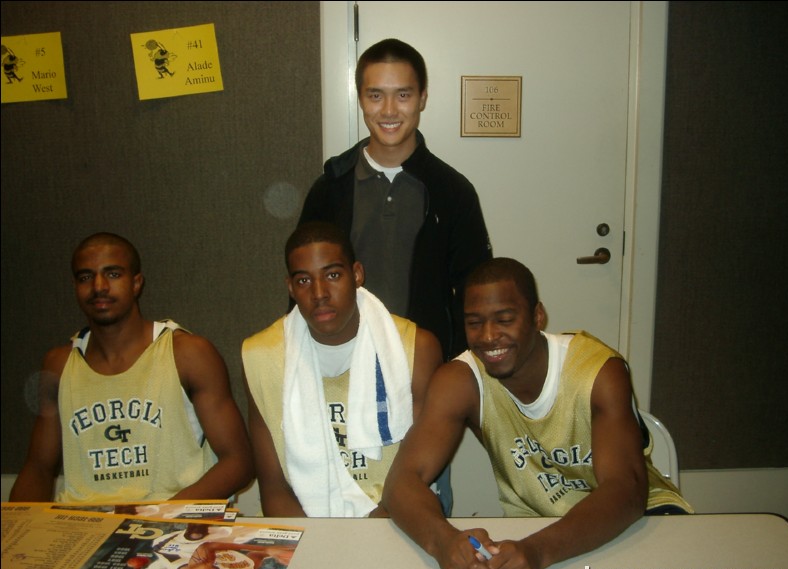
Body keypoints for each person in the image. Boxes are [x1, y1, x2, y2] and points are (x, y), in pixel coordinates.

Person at [382, 257, 693, 569]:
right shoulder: (461, 380)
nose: (488, 337)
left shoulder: (599, 372)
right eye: (474, 323)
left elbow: (627, 492)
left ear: (537, 316)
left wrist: (537, 551)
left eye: (505, 319)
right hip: (536, 529)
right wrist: (445, 544)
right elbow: (400, 482)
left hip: (636, 524)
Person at [297, 38, 493, 514]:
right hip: (337, 383)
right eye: (375, 95)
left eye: (403, 94)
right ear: (360, 98)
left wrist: (458, 381)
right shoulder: (330, 189)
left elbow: (475, 296)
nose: (388, 109)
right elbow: (304, 285)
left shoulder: (452, 192)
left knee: (422, 510)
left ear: (423, 98)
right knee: (342, 502)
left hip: (421, 386)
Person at [9, 232, 254, 504]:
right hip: (87, 527)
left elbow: (239, 463)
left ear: (136, 283)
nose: (99, 286)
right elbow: (38, 468)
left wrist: (159, 518)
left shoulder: (187, 353)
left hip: (174, 523)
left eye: (113, 274)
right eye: (86, 277)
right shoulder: (59, 364)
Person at [242, 221, 442, 517]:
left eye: (332, 275)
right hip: (309, 529)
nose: (319, 293)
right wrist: (319, 548)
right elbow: (275, 489)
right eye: (303, 281)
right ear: (290, 288)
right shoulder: (261, 357)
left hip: (400, 519)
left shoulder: (415, 348)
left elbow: (418, 474)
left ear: (357, 274)